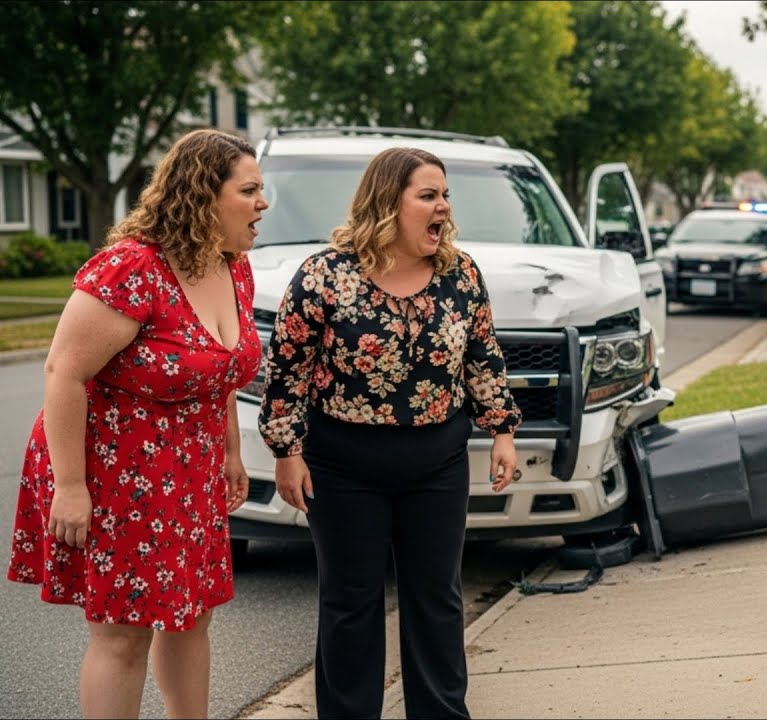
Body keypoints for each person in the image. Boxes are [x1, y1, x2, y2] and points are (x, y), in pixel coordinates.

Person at [7, 128, 266, 718]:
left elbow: (217, 371)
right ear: (204, 195)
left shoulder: (234, 268)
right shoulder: (132, 268)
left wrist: (230, 453)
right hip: (113, 469)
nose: (262, 203)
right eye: (249, 190)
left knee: (191, 614)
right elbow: (62, 373)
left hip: (189, 468)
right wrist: (71, 488)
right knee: (124, 629)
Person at [257, 146, 521, 719]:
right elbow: (287, 368)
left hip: (438, 462)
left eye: (445, 195)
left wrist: (502, 430)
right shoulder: (325, 276)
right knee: (350, 604)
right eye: (428, 196)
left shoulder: (461, 274)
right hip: (343, 466)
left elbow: (483, 357)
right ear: (387, 202)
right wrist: (286, 451)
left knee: (437, 600)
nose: (444, 208)